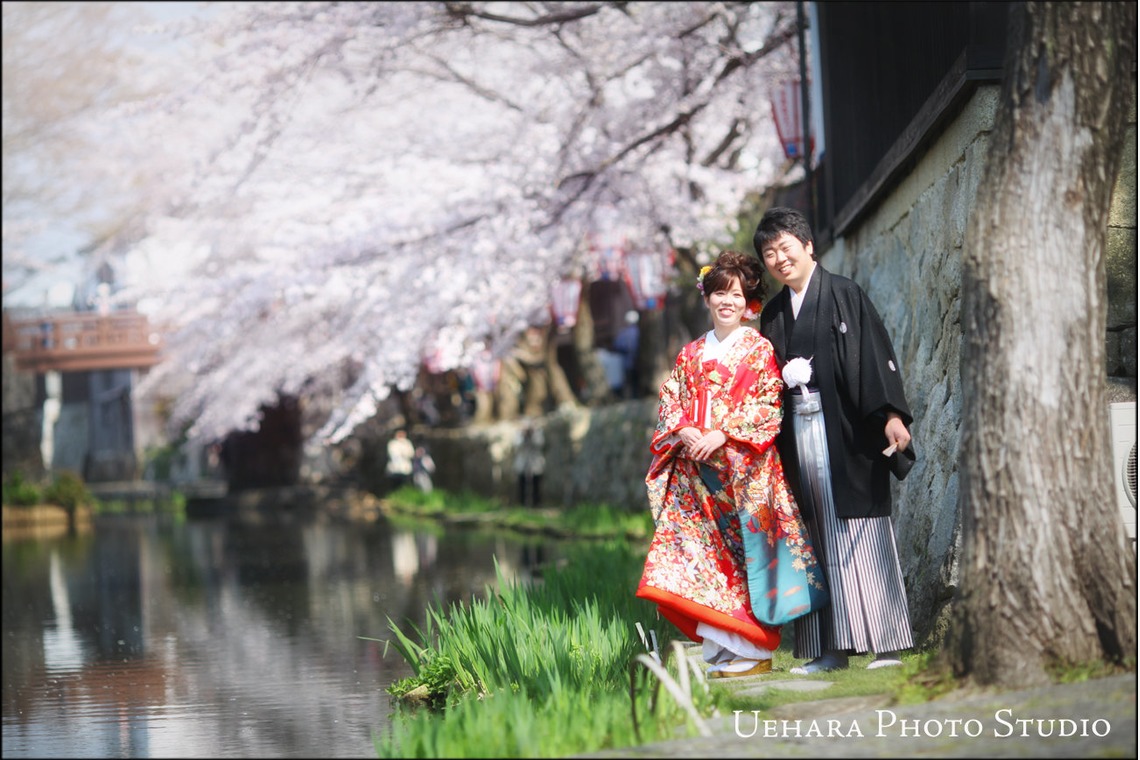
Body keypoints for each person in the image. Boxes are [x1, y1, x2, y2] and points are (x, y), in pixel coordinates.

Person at [636, 250, 823, 679]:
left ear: (748, 302)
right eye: (719, 292)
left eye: (736, 294)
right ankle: (723, 647)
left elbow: (767, 406)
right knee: (703, 557)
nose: (727, 301)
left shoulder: (758, 349)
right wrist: (683, 430)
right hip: (698, 478)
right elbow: (671, 401)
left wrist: (723, 433)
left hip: (745, 475)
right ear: (707, 298)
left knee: (746, 560)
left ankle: (754, 650)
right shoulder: (690, 354)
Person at [754, 206, 916, 674]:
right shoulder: (774, 314)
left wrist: (889, 414)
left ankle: (885, 643)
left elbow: (873, 357)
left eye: (786, 248)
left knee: (861, 531)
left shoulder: (844, 293)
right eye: (770, 253)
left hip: (846, 432)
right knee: (814, 534)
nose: (780, 259)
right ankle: (830, 650)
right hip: (798, 438)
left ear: (808, 246)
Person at [514, 419, 545, 507]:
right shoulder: (519, 433)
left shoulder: (538, 433)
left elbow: (539, 444)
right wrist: (524, 436)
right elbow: (517, 445)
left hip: (535, 462)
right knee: (522, 484)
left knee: (536, 484)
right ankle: (521, 503)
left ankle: (536, 504)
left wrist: (532, 435)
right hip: (523, 462)